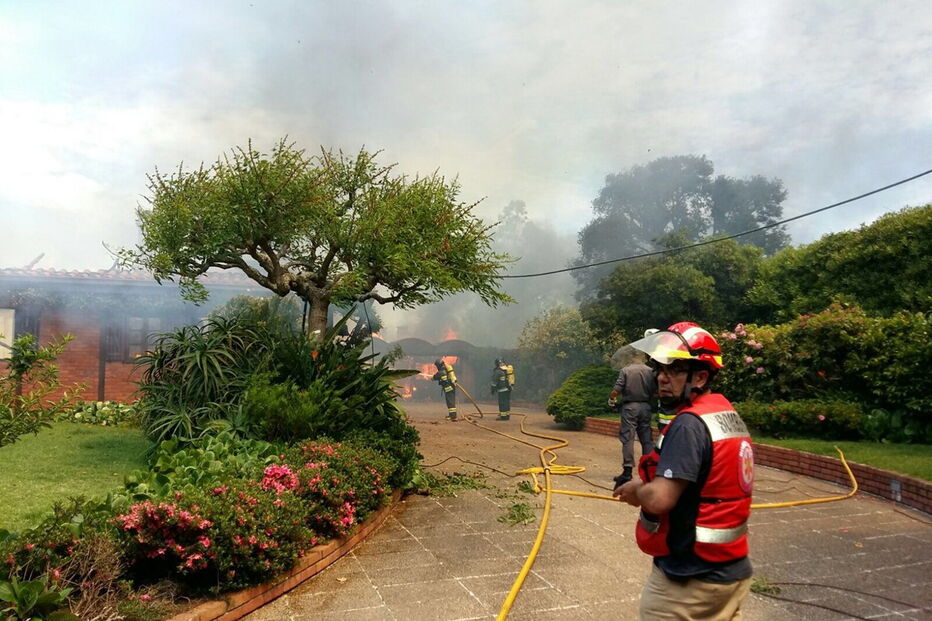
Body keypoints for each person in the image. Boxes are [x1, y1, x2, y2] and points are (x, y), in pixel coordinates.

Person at [614, 322, 754, 620]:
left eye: (675, 370)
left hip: (689, 581)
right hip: (730, 572)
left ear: (701, 376)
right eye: (661, 370)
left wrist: (638, 490)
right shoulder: (725, 415)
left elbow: (660, 500)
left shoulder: (689, 425)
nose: (663, 379)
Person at [609, 348, 657, 488]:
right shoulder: (650, 371)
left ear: (630, 358)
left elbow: (616, 390)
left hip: (630, 407)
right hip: (646, 407)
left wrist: (611, 398)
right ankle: (649, 470)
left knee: (628, 438)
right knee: (646, 439)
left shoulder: (626, 371)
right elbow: (655, 392)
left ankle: (627, 471)